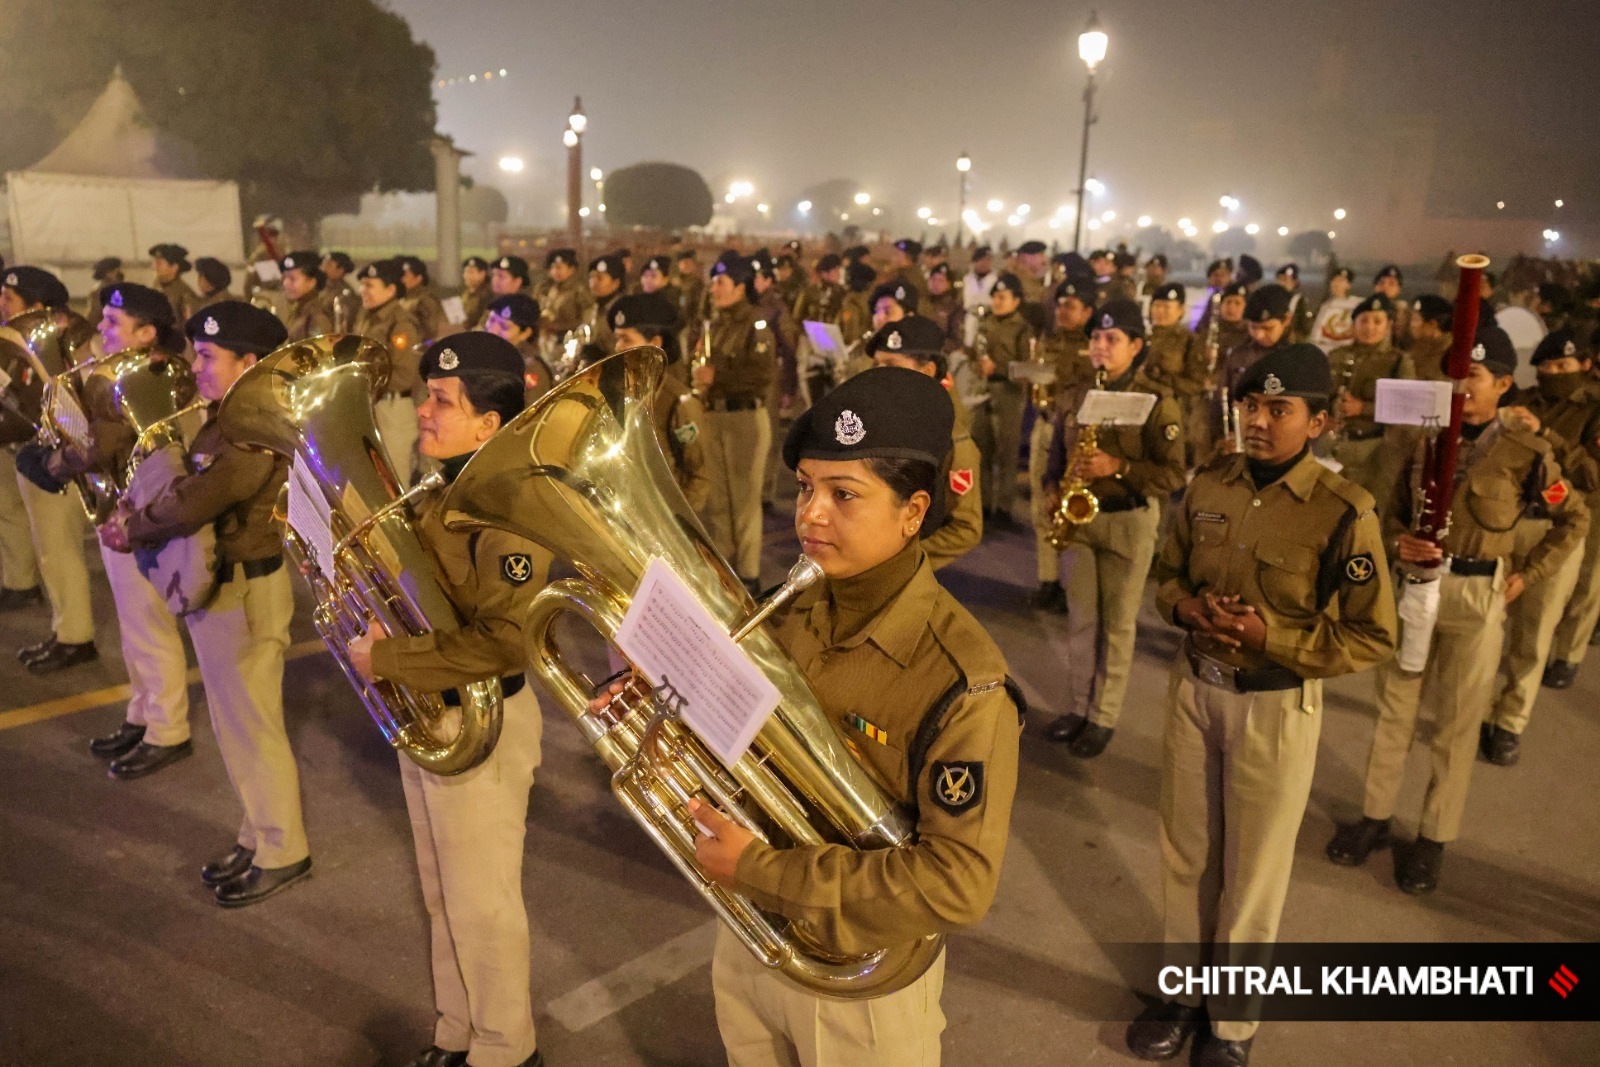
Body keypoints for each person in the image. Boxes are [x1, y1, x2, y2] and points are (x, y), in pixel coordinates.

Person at [595, 366, 1022, 1067]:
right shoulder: (788, 608)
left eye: (843, 494)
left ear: (913, 511)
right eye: (804, 488)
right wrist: (662, 706)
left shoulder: (961, 676)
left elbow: (958, 883)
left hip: (859, 980)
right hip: (750, 932)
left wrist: (762, 870)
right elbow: (739, 750)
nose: (811, 514)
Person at [1134, 344, 1396, 1065]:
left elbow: (1373, 634)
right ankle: (1182, 995)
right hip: (1196, 690)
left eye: (1279, 409)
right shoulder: (1209, 485)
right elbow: (1166, 576)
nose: (1258, 420)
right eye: (1252, 405)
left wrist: (1270, 636)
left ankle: (1232, 1026)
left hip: (1274, 705)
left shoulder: (1343, 511)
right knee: (1186, 853)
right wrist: (1188, 607)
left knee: (1253, 871)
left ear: (1318, 422)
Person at [346, 332, 549, 1067]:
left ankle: (505, 1051)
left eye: (441, 400)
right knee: (442, 893)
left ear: (488, 424)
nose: (423, 411)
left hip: (484, 720)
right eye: (425, 394)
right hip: (437, 710)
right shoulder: (439, 489)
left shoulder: (511, 508)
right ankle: (457, 1032)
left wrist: (389, 658)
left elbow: (506, 642)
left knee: (482, 903)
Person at [1326, 326, 1585, 895]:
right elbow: (1388, 514)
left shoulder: (1528, 453)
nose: (1461, 385)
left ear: (1504, 385)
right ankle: (1375, 816)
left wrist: (1528, 574)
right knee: (1394, 709)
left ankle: (1434, 836)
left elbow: (1574, 518)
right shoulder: (1424, 442)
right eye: (1455, 375)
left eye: (1474, 376)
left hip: (1476, 593)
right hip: (1416, 590)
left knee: (1458, 722)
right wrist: (1397, 542)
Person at [101, 301, 312, 906]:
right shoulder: (228, 419)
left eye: (207, 356)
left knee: (252, 728)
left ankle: (282, 850)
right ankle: (258, 835)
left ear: (248, 363)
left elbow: (201, 498)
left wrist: (136, 524)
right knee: (234, 725)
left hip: (244, 591)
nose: (195, 366)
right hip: (225, 586)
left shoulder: (253, 429)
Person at [21, 284, 194, 768]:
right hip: (115, 508)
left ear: (147, 333)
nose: (100, 327)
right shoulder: (119, 372)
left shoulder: (151, 375)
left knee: (150, 627)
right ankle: (143, 715)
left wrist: (54, 463)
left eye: (114, 322)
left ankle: (168, 730)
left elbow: (104, 443)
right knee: (133, 627)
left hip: (141, 516)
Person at [1041, 300, 1187, 757]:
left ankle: (1103, 716)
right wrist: (1051, 486)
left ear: (1136, 346)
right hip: (1082, 520)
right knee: (1082, 621)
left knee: (1118, 626)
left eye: (1112, 339)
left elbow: (1174, 474)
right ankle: (1078, 707)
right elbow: (1057, 450)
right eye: (1096, 338)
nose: (1101, 346)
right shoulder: (1077, 392)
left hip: (1129, 521)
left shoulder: (1156, 401)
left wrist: (1118, 467)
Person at [1482, 329, 1600, 763]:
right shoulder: (1524, 400)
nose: (1553, 373)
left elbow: (1591, 476)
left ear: (1584, 365)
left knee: (1533, 636)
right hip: (1508, 522)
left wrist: (1545, 433)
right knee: (1488, 627)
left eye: (1562, 366)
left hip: (1556, 527)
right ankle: (1479, 708)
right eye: (1546, 366)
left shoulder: (1593, 410)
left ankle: (1509, 721)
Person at [0, 268, 97, 669]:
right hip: (42, 458)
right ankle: (66, 631)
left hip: (60, 460)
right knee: (51, 554)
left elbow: (45, 406)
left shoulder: (64, 344)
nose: (2, 304)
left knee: (60, 553)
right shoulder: (28, 340)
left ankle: (76, 637)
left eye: (9, 298)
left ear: (37, 307)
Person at [868, 315, 983, 569]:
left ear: (928, 371)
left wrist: (896, 554)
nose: (880, 374)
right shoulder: (878, 417)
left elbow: (966, 529)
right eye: (877, 364)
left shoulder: (952, 442)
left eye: (892, 364)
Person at [694, 256, 778, 594]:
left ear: (740, 287)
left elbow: (762, 375)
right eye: (713, 282)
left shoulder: (755, 325)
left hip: (744, 419)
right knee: (720, 501)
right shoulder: (716, 325)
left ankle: (748, 576)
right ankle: (725, 570)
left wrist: (717, 377)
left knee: (744, 502)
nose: (713, 289)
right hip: (715, 415)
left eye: (721, 283)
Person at [1026, 278, 1096, 611]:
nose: (1063, 311)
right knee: (1044, 501)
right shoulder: (1047, 341)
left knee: (1074, 507)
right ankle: (1048, 578)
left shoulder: (1094, 346)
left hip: (1075, 433)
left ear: (1087, 312)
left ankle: (1072, 583)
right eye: (1060, 305)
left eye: (1071, 306)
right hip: (1045, 424)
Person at [608, 291, 710, 511]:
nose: (618, 347)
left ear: (654, 343)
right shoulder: (617, 391)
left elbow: (700, 474)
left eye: (627, 339)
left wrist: (677, 521)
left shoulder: (678, 402)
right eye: (617, 338)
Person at [1322, 293, 1412, 504]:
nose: (1369, 327)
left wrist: (1363, 408)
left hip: (1374, 451)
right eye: (1363, 320)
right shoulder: (1336, 356)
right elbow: (1321, 395)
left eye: (1377, 321)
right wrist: (1328, 412)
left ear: (1389, 325)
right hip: (1332, 445)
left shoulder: (1398, 361)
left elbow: (1406, 408)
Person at [354, 259, 424, 486]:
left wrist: (360, 379)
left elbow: (405, 376)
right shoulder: (367, 317)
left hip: (393, 409)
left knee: (395, 479)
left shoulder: (401, 324)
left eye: (369, 285)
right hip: (370, 406)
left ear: (391, 289)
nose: (362, 290)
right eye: (362, 284)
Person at [973, 273, 1034, 528]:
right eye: (995, 297)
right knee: (982, 449)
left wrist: (998, 368)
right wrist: (979, 366)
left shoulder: (1022, 329)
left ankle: (1004, 507)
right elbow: (974, 353)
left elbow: (1027, 368)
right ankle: (984, 503)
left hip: (1009, 393)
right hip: (984, 390)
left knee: (1007, 453)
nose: (997, 302)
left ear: (1016, 301)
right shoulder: (985, 322)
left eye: (1002, 297)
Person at [1142, 282, 1210, 467]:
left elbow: (1196, 385)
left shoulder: (1189, 341)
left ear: (1181, 310)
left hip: (1174, 414)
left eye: (1167, 307)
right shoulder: (1141, 338)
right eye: (1157, 306)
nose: (1160, 311)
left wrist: (1163, 378)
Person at [482, 294, 555, 403]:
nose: (493, 330)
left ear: (525, 333)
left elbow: (529, 411)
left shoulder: (530, 369)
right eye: (492, 321)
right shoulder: (492, 355)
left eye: (504, 327)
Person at [535, 249, 588, 347]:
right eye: (553, 267)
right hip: (544, 340)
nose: (555, 271)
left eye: (559, 267)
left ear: (571, 269)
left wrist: (559, 326)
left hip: (569, 341)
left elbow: (586, 319)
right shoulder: (544, 289)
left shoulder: (579, 291)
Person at [399, 256, 457, 346]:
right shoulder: (404, 299)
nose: (403, 280)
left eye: (407, 276)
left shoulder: (426, 300)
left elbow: (431, 330)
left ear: (418, 278)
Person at [279, 251, 334, 342]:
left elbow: (320, 348)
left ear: (312, 282)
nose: (285, 283)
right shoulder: (299, 309)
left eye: (292, 279)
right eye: (284, 277)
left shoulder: (316, 316)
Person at [585, 253, 627, 355]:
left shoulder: (624, 311)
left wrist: (602, 354)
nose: (593, 282)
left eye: (600, 278)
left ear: (616, 283)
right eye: (591, 277)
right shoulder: (593, 308)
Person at [149, 243, 199, 324]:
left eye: (159, 264)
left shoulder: (185, 294)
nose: (154, 267)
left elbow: (190, 325)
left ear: (174, 267)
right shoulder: (157, 285)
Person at [1275, 263, 1315, 343]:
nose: (1283, 283)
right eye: (1280, 279)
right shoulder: (1272, 299)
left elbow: (1306, 327)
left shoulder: (1299, 301)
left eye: (1286, 280)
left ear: (1295, 282)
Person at [459, 256, 492, 329]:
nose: (467, 276)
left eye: (471, 272)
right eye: (465, 272)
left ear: (482, 274)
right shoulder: (465, 293)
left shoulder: (488, 296)